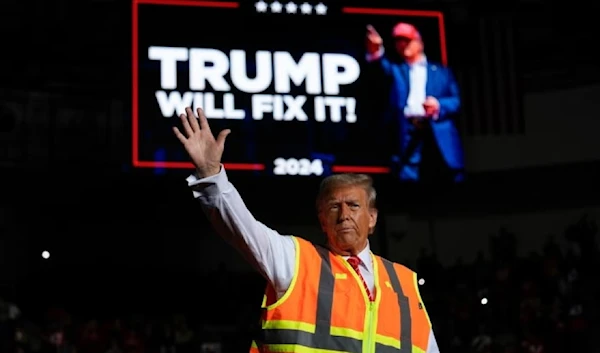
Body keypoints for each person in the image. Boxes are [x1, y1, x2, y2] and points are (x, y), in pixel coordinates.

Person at [173, 107, 440, 353]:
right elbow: (242, 229)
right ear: (322, 220)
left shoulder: (405, 284)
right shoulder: (296, 260)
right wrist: (211, 177)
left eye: (353, 205)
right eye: (334, 207)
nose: (344, 214)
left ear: (372, 218)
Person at [366, 23, 464, 183]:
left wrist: (438, 105)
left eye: (407, 40)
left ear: (419, 42)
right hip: (407, 132)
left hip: (436, 132)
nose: (402, 45)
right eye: (398, 41)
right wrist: (376, 51)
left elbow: (456, 101)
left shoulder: (441, 71)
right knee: (408, 182)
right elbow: (379, 70)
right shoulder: (396, 70)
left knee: (446, 182)